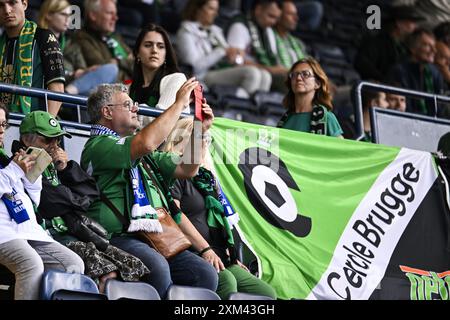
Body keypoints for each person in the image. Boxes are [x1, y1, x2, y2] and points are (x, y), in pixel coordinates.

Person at [80, 82, 218, 298]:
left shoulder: (142, 153)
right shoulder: (98, 145)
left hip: (154, 236)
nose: (136, 109)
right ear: (107, 112)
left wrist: (200, 128)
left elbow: (188, 167)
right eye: (127, 105)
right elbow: (145, 143)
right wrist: (180, 103)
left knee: (204, 274)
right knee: (158, 268)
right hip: (116, 237)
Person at [14, 111, 149, 293]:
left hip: (75, 233)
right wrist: (73, 199)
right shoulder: (20, 165)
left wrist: (66, 169)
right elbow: (52, 201)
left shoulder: (57, 166)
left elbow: (90, 194)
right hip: (51, 236)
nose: (54, 146)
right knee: (107, 274)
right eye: (48, 140)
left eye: (58, 140)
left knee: (134, 267)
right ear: (26, 140)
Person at [164, 118, 277, 300]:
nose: (205, 145)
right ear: (181, 142)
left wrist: (231, 256)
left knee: (265, 293)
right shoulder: (175, 175)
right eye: (200, 140)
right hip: (194, 252)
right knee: (227, 282)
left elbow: (218, 222)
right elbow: (176, 218)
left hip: (219, 255)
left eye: (206, 140)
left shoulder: (207, 178)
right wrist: (205, 249)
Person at [0, 105, 84, 300]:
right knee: (31, 263)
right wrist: (15, 170)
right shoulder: (11, 165)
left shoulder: (7, 159)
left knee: (73, 264)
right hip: (4, 234)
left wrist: (33, 173)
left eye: (3, 124)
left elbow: (34, 202)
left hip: (26, 231)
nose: (2, 129)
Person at [176, 0, 271, 98]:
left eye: (216, 10)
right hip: (202, 76)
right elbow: (194, 67)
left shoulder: (216, 31)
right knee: (252, 73)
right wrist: (222, 52)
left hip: (220, 71)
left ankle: (256, 109)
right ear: (198, 9)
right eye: (211, 9)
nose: (215, 14)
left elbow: (228, 54)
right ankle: (244, 108)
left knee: (265, 75)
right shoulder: (186, 32)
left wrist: (235, 54)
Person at [38, 0, 118, 97]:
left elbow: (83, 72)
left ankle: (66, 95)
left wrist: (85, 72)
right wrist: (73, 75)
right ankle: (64, 96)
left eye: (69, 15)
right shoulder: (36, 39)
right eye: (63, 14)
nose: (68, 19)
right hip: (46, 88)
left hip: (71, 88)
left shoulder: (71, 43)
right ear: (48, 15)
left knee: (110, 70)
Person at [0, 0, 65, 116]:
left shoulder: (45, 37)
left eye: (12, 3)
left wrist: (46, 125)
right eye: (0, 5)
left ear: (24, 4)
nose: (7, 10)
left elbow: (57, 89)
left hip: (35, 125)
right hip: (4, 123)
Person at [129, 23, 189, 127]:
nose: (154, 50)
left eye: (160, 46)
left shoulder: (177, 79)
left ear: (166, 55)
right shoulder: (129, 87)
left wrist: (132, 112)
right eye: (148, 45)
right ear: (137, 53)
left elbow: (162, 120)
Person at [227, 0, 286, 92]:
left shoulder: (269, 31)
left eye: (276, 18)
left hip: (262, 73)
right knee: (256, 74)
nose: (273, 22)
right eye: (271, 16)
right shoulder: (240, 25)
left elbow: (273, 59)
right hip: (233, 72)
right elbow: (236, 62)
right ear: (258, 10)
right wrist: (271, 70)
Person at [277, 57, 343, 137]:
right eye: (294, 75)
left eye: (305, 74)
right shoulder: (285, 119)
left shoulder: (327, 118)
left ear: (317, 84)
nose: (298, 78)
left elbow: (342, 148)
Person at [354, 5, 423, 82]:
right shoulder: (377, 43)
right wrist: (384, 80)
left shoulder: (406, 49)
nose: (415, 26)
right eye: (412, 22)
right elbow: (362, 64)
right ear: (399, 23)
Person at [387, 28, 445, 116]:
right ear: (413, 48)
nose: (434, 50)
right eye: (427, 45)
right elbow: (403, 106)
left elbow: (440, 107)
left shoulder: (435, 73)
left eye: (434, 46)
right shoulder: (399, 71)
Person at [72, 0, 133, 82]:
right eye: (110, 13)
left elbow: (138, 63)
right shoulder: (82, 38)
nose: (115, 18)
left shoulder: (115, 37)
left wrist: (118, 61)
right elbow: (105, 70)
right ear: (93, 15)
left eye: (115, 14)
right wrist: (127, 61)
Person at [273, 0, 307, 69]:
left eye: (295, 14)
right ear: (278, 15)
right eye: (290, 14)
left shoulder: (298, 43)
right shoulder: (269, 38)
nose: (296, 18)